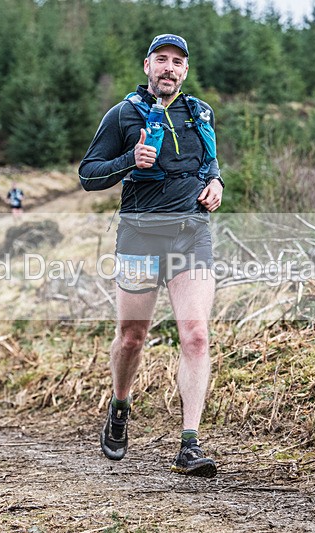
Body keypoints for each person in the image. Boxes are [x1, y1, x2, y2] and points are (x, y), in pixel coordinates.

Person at [79, 34, 224, 477]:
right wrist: (130, 159)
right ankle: (120, 407)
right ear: (147, 66)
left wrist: (217, 183)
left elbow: (209, 164)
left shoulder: (199, 113)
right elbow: (88, 174)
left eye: (178, 62)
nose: (169, 68)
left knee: (196, 335)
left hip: (190, 237)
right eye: (161, 60)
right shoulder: (122, 114)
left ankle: (189, 444)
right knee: (131, 339)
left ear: (185, 70)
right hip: (140, 239)